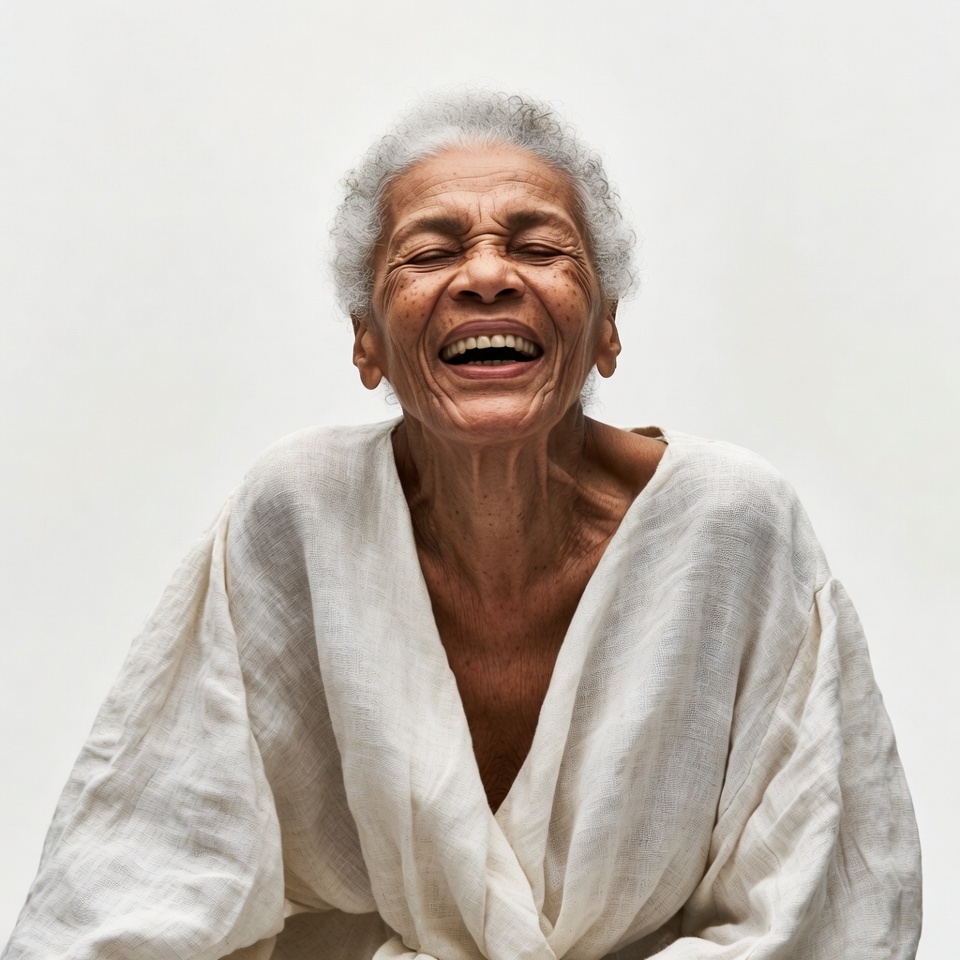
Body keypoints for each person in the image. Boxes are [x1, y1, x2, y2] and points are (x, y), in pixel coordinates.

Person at [3, 91, 921, 960]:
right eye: (432, 253)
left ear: (605, 327)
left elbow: (821, 911)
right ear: (368, 342)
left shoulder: (734, 529)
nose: (487, 275)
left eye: (537, 246)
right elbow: (145, 865)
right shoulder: (299, 515)